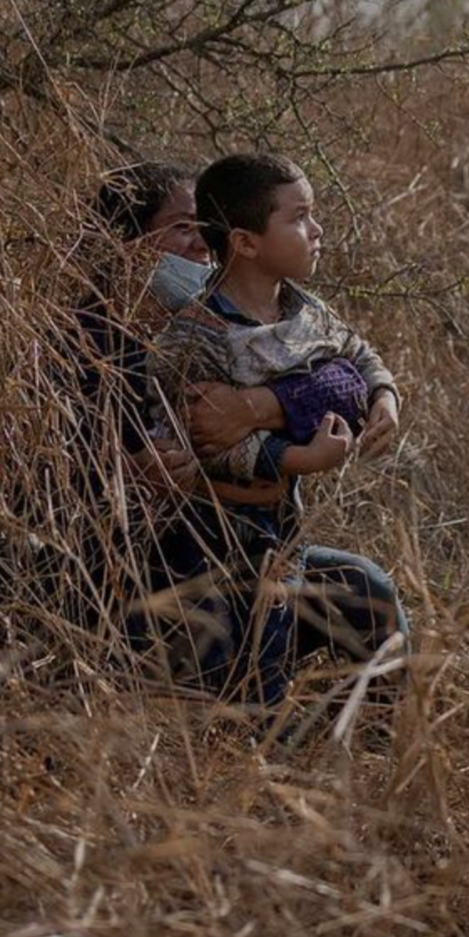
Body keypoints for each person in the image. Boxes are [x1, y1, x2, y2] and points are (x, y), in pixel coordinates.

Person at [144, 152, 409, 708]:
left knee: (333, 619)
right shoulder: (197, 333)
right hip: (206, 543)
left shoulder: (304, 310)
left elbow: (357, 356)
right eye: (299, 218)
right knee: (237, 687)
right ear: (245, 243)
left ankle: (388, 743)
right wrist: (296, 460)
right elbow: (208, 443)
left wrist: (384, 394)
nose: (316, 231)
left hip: (280, 535)